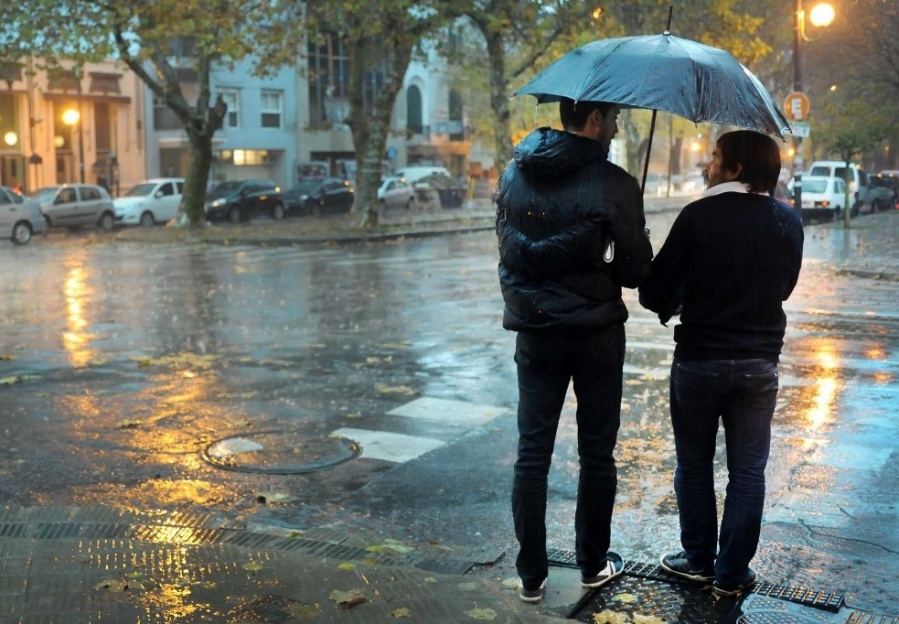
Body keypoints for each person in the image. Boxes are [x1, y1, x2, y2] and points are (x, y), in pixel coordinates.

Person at [495, 98, 654, 603]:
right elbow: (635, 272)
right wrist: (629, 238)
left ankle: (531, 576)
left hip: (536, 333)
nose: (615, 126)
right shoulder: (616, 183)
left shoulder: (513, 176)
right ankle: (591, 565)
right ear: (592, 120)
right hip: (596, 337)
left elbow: (509, 255)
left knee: (532, 453)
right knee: (596, 454)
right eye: (612, 118)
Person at [638, 130, 804, 597]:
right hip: (758, 365)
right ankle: (732, 573)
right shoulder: (788, 222)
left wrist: (669, 280)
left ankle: (698, 560)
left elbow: (653, 293)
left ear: (735, 168)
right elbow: (785, 287)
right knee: (748, 471)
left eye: (715, 158)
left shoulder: (697, 216)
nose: (707, 166)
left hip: (699, 361)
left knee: (694, 465)